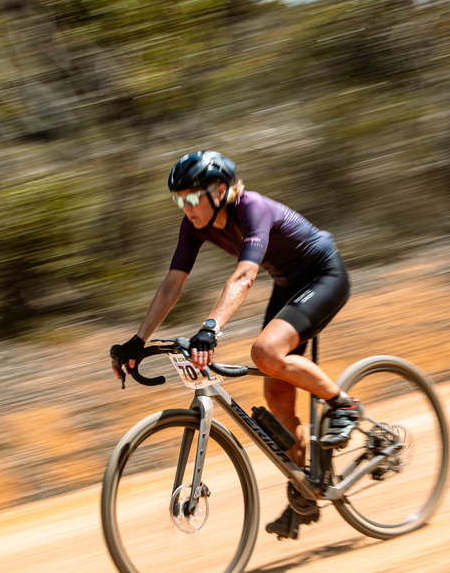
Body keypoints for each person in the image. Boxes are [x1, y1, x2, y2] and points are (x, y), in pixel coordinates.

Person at [111, 150, 360, 541]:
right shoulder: (194, 225)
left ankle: (344, 404)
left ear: (219, 190)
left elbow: (244, 276)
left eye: (192, 198)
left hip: (324, 275)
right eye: (179, 199)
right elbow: (172, 284)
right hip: (289, 284)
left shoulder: (251, 208)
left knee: (265, 353)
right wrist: (137, 340)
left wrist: (211, 328)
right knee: (277, 394)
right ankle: (305, 492)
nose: (185, 207)